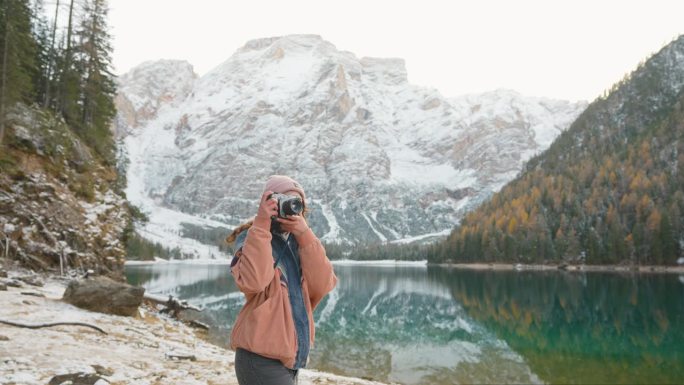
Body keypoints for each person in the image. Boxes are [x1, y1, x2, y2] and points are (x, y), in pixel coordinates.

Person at [225, 175, 338, 385]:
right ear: (270, 202)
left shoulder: (300, 243)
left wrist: (305, 234)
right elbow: (253, 282)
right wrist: (261, 223)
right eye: (284, 200)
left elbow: (324, 284)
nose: (291, 207)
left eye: (297, 203)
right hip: (259, 359)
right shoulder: (252, 237)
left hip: (288, 360)